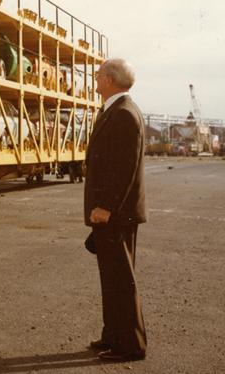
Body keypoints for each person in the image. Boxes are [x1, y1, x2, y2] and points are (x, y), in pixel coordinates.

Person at [84, 58, 147, 362]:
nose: (95, 79)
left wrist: (105, 207)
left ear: (109, 80)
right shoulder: (117, 111)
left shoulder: (123, 114)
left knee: (121, 279)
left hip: (115, 213)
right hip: (113, 212)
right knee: (111, 278)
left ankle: (131, 345)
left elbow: (124, 169)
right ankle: (113, 336)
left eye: (98, 75)